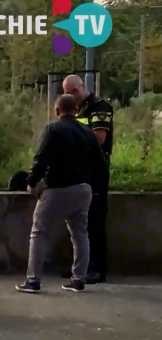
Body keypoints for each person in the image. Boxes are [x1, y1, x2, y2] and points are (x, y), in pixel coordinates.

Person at [17, 94, 105, 294]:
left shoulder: (53, 129)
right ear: (76, 110)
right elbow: (100, 162)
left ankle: (33, 281)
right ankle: (78, 279)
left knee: (39, 233)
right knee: (80, 234)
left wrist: (32, 182)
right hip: (83, 189)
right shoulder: (87, 131)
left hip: (57, 188)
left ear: (57, 111)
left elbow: (41, 159)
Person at [62, 74, 114, 284]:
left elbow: (99, 139)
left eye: (74, 91)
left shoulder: (99, 107)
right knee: (78, 223)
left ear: (82, 87)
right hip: (79, 171)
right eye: (67, 92)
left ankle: (97, 269)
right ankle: (80, 268)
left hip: (96, 172)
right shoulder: (78, 110)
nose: (72, 95)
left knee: (95, 221)